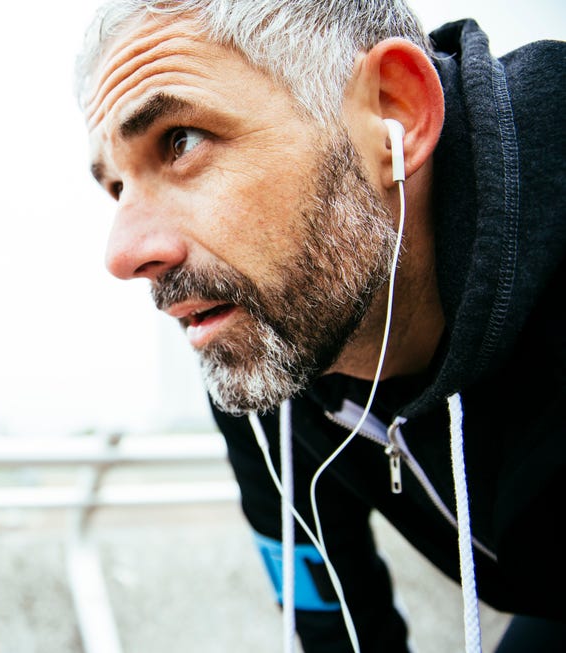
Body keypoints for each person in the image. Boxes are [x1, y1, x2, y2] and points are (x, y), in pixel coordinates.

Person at [74, 1, 565, 651]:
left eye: (180, 140)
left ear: (394, 112)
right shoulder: (266, 347)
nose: (123, 253)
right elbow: (338, 633)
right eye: (117, 188)